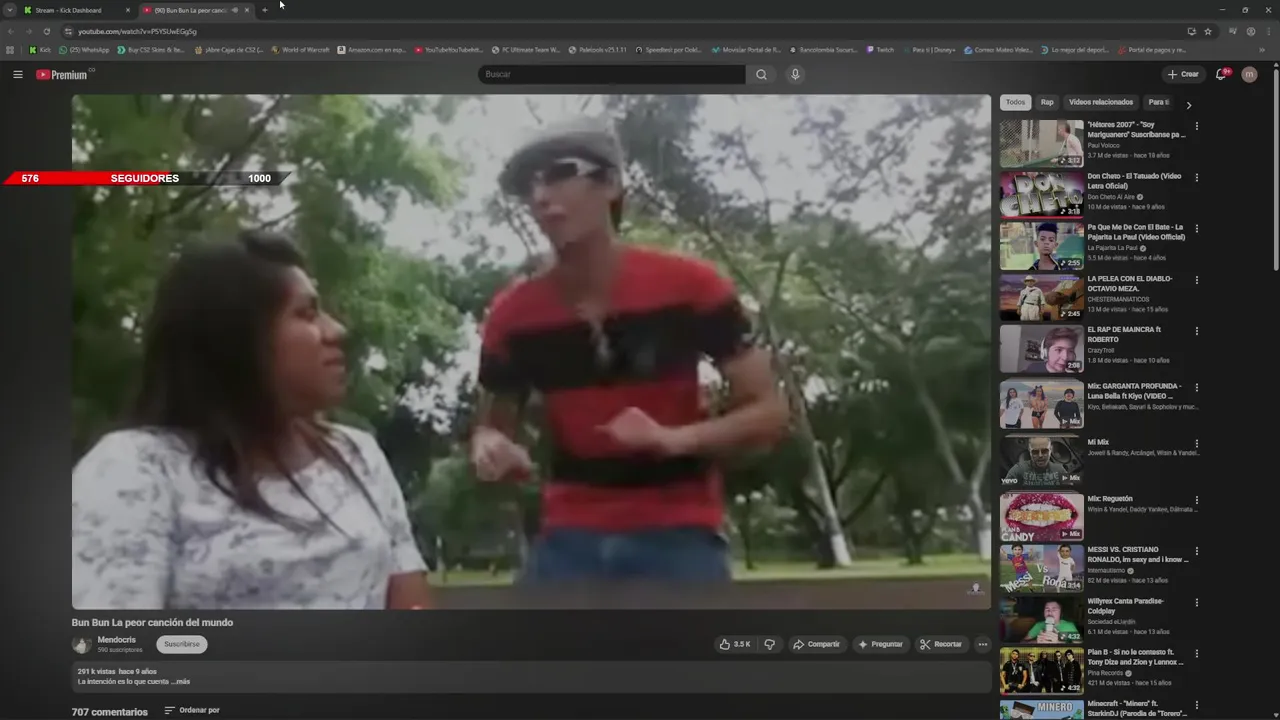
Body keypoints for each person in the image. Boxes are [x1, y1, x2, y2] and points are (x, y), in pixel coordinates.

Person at [470, 117, 789, 583]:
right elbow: (491, 428)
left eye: (559, 173)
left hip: (679, 534)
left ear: (611, 184)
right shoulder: (511, 316)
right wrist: (493, 448)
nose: (539, 196)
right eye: (528, 185)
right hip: (567, 538)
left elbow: (769, 412)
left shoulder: (693, 286)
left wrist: (673, 439)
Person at [71, 232, 431, 610]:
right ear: (236, 339)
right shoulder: (137, 469)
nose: (336, 331)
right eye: (306, 314)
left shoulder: (357, 454)